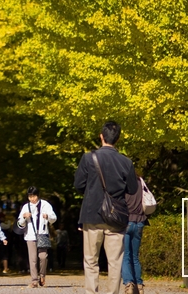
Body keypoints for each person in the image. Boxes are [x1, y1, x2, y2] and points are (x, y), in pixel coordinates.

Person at [74, 121, 138, 294]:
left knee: (90, 260)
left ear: (101, 136)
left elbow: (78, 184)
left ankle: (91, 292)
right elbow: (133, 189)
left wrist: (92, 190)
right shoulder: (126, 162)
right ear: (118, 139)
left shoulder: (88, 158)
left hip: (92, 215)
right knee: (115, 262)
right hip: (116, 217)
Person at [16, 187, 56, 289]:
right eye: (30, 196)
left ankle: (42, 275)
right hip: (30, 235)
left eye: (34, 196)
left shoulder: (45, 205)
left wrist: (48, 216)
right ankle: (34, 280)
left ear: (38, 195)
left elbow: (54, 218)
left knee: (43, 257)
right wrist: (24, 217)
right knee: (32, 259)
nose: (32, 198)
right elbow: (19, 223)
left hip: (43, 233)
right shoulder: (26, 206)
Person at [122, 175, 149, 294]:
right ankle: (139, 285)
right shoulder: (140, 182)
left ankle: (128, 284)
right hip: (140, 222)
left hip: (126, 221)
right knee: (135, 256)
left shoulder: (122, 184)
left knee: (125, 255)